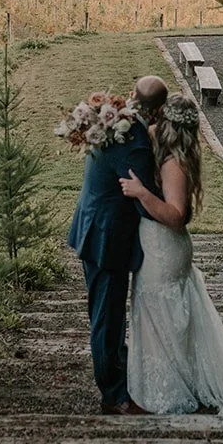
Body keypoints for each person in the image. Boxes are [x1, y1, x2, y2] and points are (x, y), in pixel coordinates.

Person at [119, 93, 223, 418]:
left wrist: (141, 193)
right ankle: (169, 385)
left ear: (169, 125)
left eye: (160, 120)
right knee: (167, 319)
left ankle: (169, 392)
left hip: (164, 248)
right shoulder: (172, 152)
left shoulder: (174, 164)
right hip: (161, 248)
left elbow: (176, 214)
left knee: (164, 321)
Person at [66, 74, 167, 415]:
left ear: (130, 96)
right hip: (107, 238)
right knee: (107, 319)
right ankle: (113, 395)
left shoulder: (113, 120)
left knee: (105, 313)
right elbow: (144, 201)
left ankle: (119, 375)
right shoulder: (134, 140)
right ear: (157, 112)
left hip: (92, 224)